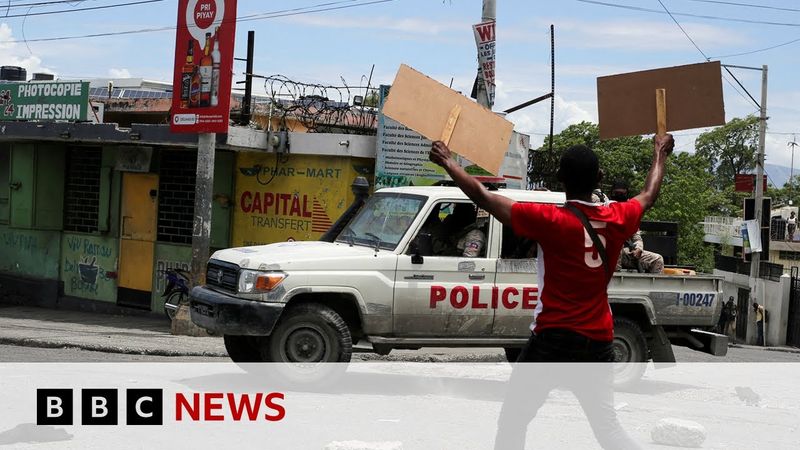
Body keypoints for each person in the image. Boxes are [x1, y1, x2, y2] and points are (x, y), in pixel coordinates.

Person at [429, 133, 674, 450]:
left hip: (552, 339)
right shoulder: (618, 218)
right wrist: (659, 152)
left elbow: (483, 196)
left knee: (513, 423)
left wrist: (449, 161)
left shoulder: (549, 220)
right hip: (598, 340)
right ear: (599, 178)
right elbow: (648, 194)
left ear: (560, 179)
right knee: (608, 430)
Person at [607, 180, 664, 274]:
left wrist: (638, 249)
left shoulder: (629, 212)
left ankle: (654, 287)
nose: (619, 196)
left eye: (622, 193)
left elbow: (636, 237)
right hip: (607, 253)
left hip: (627, 254)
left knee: (657, 259)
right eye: (617, 193)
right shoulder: (606, 207)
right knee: (617, 246)